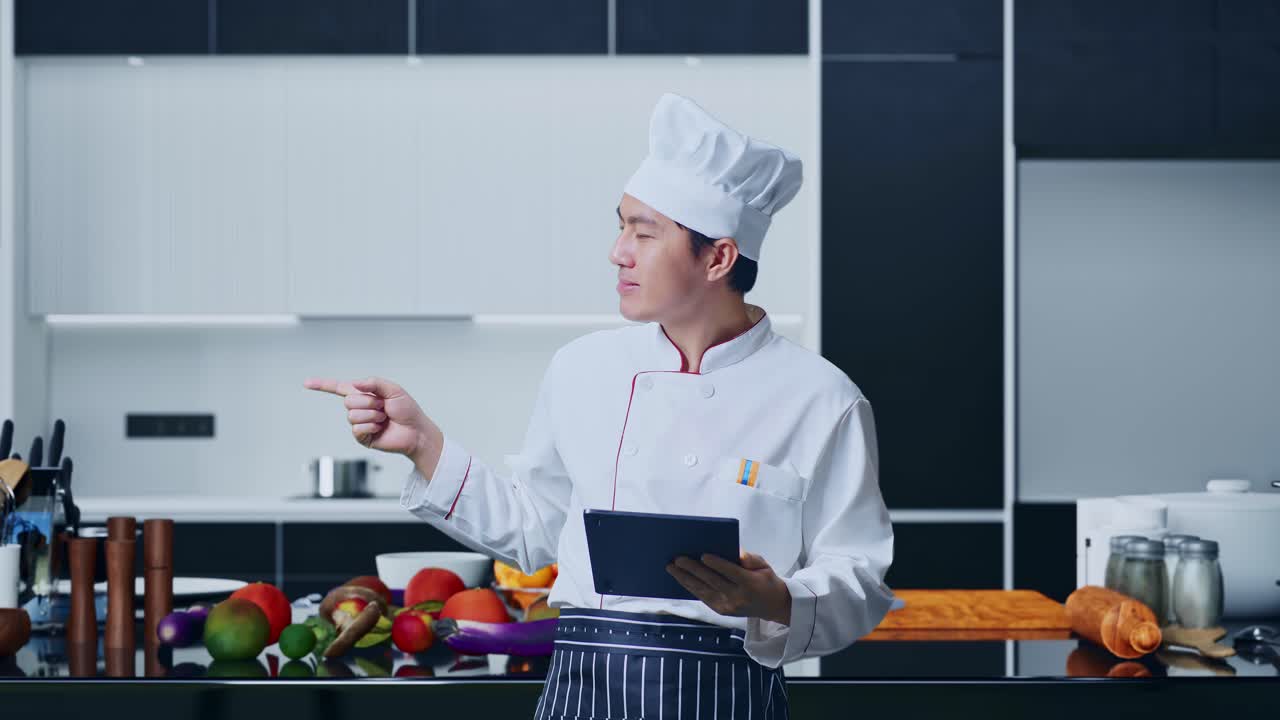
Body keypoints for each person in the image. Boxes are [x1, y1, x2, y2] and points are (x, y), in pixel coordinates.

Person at [305, 93, 895, 719]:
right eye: (621, 225)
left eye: (644, 233)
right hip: (580, 689)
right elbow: (539, 531)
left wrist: (776, 599)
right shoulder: (582, 369)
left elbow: (858, 579)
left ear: (718, 257)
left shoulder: (821, 398)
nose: (619, 251)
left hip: (728, 697)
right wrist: (424, 444)